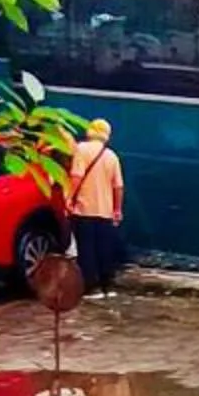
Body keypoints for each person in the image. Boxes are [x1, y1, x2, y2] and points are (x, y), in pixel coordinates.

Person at [67, 119, 126, 299]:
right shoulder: (112, 156)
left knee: (86, 249)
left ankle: (92, 288)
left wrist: (68, 197)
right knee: (104, 249)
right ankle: (107, 285)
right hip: (105, 212)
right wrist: (117, 209)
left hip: (84, 209)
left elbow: (76, 176)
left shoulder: (81, 149)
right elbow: (118, 186)